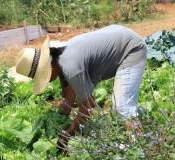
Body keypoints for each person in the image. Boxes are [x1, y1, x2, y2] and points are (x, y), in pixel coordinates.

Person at [15, 25, 147, 152]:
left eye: (43, 77)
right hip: (119, 37)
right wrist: (56, 122)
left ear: (48, 68)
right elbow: (68, 99)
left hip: (131, 49)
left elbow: (88, 107)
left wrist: (68, 132)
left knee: (122, 107)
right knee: (122, 106)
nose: (46, 81)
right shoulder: (59, 58)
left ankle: (141, 148)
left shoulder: (70, 67)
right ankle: (138, 130)